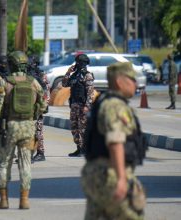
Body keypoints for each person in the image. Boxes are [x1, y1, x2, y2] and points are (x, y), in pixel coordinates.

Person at [81, 62, 148, 220]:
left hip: (97, 173)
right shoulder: (115, 106)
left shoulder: (103, 102)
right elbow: (115, 141)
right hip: (110, 173)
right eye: (131, 79)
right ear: (119, 81)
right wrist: (121, 179)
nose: (135, 83)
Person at [0, 51, 47, 209]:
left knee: (3, 163)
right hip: (28, 128)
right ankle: (24, 200)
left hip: (9, 128)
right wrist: (34, 115)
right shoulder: (33, 82)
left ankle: (3, 199)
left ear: (11, 64)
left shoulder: (4, 82)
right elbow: (43, 105)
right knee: (26, 163)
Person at [62, 53, 94, 157]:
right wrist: (68, 72)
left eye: (78, 62)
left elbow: (90, 93)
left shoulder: (87, 75)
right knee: (74, 128)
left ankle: (84, 149)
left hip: (82, 105)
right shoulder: (74, 75)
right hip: (74, 105)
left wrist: (87, 106)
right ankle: (79, 148)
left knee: (83, 128)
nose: (77, 64)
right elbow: (64, 84)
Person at [27, 55, 50, 162]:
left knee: (38, 131)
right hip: (27, 107)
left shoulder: (41, 75)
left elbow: (46, 91)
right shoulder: (26, 75)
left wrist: (44, 106)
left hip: (37, 107)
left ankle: (40, 153)